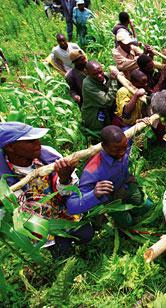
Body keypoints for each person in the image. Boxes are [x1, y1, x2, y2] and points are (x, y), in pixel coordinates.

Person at [0, 122, 93, 258]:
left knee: (86, 234)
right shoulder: (3, 177)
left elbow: (72, 189)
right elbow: (16, 211)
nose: (38, 143)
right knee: (62, 255)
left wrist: (65, 179)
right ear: (10, 147)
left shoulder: (48, 155)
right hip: (38, 223)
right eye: (31, 141)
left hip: (63, 210)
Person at [67, 125, 151, 228]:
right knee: (127, 223)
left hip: (125, 186)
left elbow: (130, 129)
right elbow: (72, 206)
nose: (122, 152)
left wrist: (141, 122)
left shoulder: (123, 141)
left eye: (124, 147)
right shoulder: (93, 170)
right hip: (111, 200)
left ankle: (132, 212)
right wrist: (94, 194)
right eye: (116, 150)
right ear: (104, 146)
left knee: (147, 206)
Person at [81, 61, 119, 136]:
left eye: (100, 72)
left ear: (102, 68)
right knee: (102, 134)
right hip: (94, 113)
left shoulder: (103, 75)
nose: (99, 75)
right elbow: (106, 101)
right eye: (94, 74)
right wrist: (114, 82)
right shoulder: (87, 85)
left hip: (104, 109)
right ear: (88, 74)